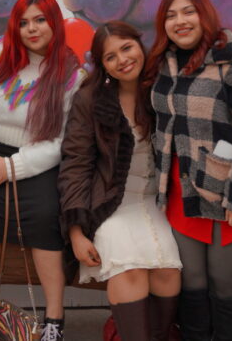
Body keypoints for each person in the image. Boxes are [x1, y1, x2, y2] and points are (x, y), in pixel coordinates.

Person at [144, 0, 232, 341]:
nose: (180, 21)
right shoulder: (163, 64)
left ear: (205, 15)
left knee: (225, 283)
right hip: (182, 191)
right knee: (192, 283)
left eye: (189, 11)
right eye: (171, 15)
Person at [0, 0, 86, 341]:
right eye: (24, 22)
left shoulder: (71, 75)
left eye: (40, 20)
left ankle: (54, 321)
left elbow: (61, 141)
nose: (32, 29)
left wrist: (12, 167)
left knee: (46, 215)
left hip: (37, 157)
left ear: (54, 23)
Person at [58, 21, 182, 340]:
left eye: (127, 48)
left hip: (157, 203)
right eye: (110, 57)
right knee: (130, 271)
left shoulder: (161, 90)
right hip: (111, 204)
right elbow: (75, 165)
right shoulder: (90, 100)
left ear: (140, 45)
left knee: (168, 271)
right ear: (103, 66)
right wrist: (76, 232)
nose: (122, 60)